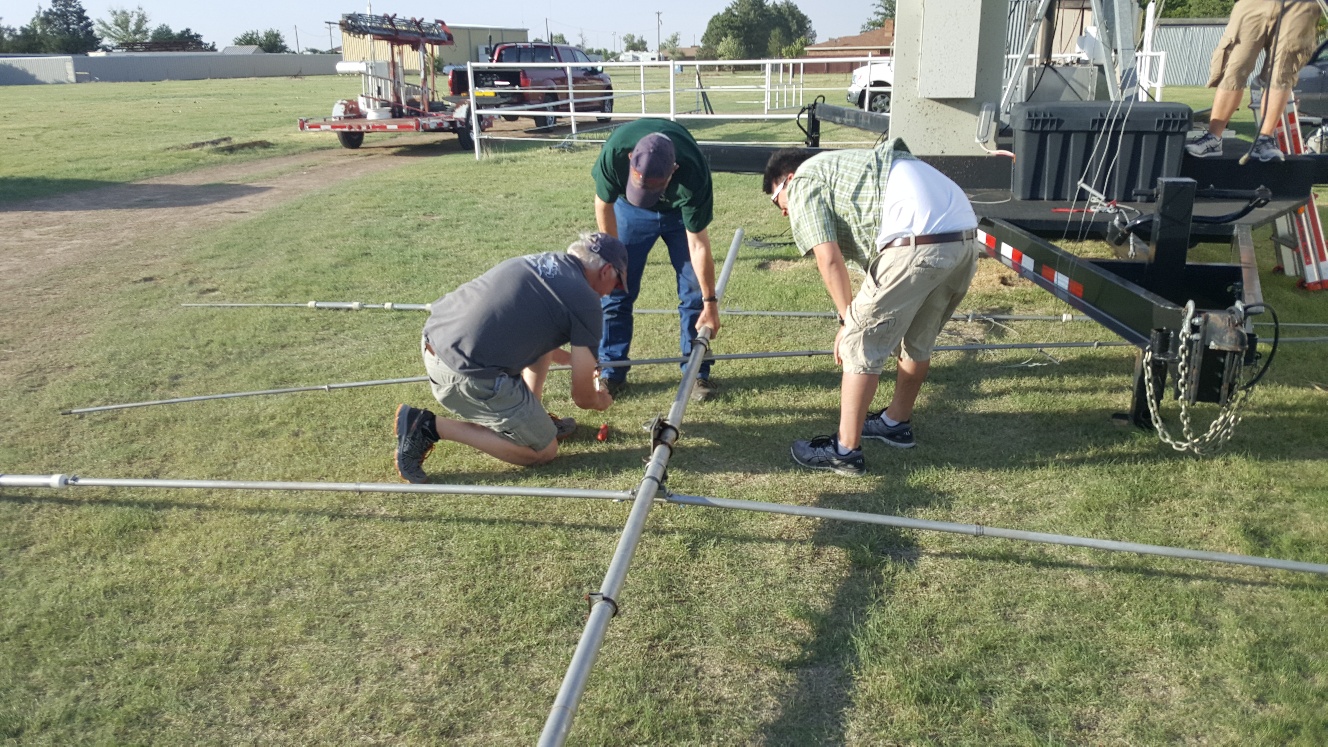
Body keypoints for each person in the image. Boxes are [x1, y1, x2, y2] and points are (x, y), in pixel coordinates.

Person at [763, 140, 979, 477]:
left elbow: (828, 258)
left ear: (787, 179)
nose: (784, 212)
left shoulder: (804, 179)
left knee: (858, 342)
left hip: (918, 241)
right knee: (917, 340)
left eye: (778, 201)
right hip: (963, 239)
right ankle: (895, 423)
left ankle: (844, 451)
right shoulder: (848, 168)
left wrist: (846, 319)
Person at [393, 233, 627, 483]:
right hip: (465, 374)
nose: (611, 293)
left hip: (436, 341)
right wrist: (600, 400)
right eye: (617, 284)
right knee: (544, 451)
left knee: (544, 340)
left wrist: (572, 360)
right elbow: (582, 397)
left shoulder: (546, 262)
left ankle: (532, 418)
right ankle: (428, 427)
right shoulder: (586, 301)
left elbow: (533, 333)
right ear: (606, 271)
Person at [591, 118, 722, 401]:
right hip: (629, 211)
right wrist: (614, 260)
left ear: (673, 170)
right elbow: (603, 205)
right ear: (630, 159)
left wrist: (710, 303)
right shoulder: (614, 151)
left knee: (693, 292)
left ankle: (696, 372)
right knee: (616, 289)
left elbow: (698, 245)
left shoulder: (694, 174)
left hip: (678, 214)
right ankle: (611, 371)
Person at [1186, 0, 1323, 162]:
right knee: (1234, 67)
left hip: (1300, 5)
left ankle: (1265, 140)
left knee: (1282, 73)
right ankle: (1213, 138)